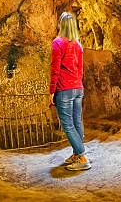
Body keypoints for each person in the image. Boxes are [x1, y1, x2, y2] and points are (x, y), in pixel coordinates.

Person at [49, 11, 90, 171]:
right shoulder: (78, 45)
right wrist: (78, 85)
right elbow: (80, 69)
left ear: (61, 25)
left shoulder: (58, 43)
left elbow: (55, 69)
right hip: (78, 88)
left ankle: (82, 156)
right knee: (77, 122)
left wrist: (52, 91)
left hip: (64, 89)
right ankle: (76, 154)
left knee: (67, 124)